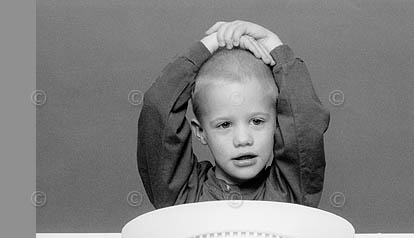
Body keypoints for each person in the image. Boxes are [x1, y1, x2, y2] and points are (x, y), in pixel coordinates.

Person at [137, 20, 330, 208]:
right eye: (225, 125)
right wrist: (211, 43)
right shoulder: (182, 195)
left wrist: (274, 45)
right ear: (200, 131)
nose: (243, 139)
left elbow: (305, 123)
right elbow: (158, 109)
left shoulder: (290, 191)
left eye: (257, 121)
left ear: (278, 125)